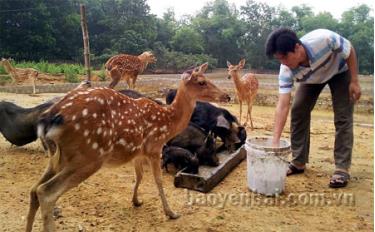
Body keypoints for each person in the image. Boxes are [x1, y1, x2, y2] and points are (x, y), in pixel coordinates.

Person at [265, 28, 361, 188]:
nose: (283, 63)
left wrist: (355, 81)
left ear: (297, 47)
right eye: (279, 59)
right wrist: (275, 140)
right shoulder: (286, 70)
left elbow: (349, 49)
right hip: (311, 79)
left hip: (340, 71)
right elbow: (283, 105)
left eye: (285, 57)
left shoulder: (325, 39)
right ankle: (298, 162)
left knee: (343, 116)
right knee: (298, 110)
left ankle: (342, 168)